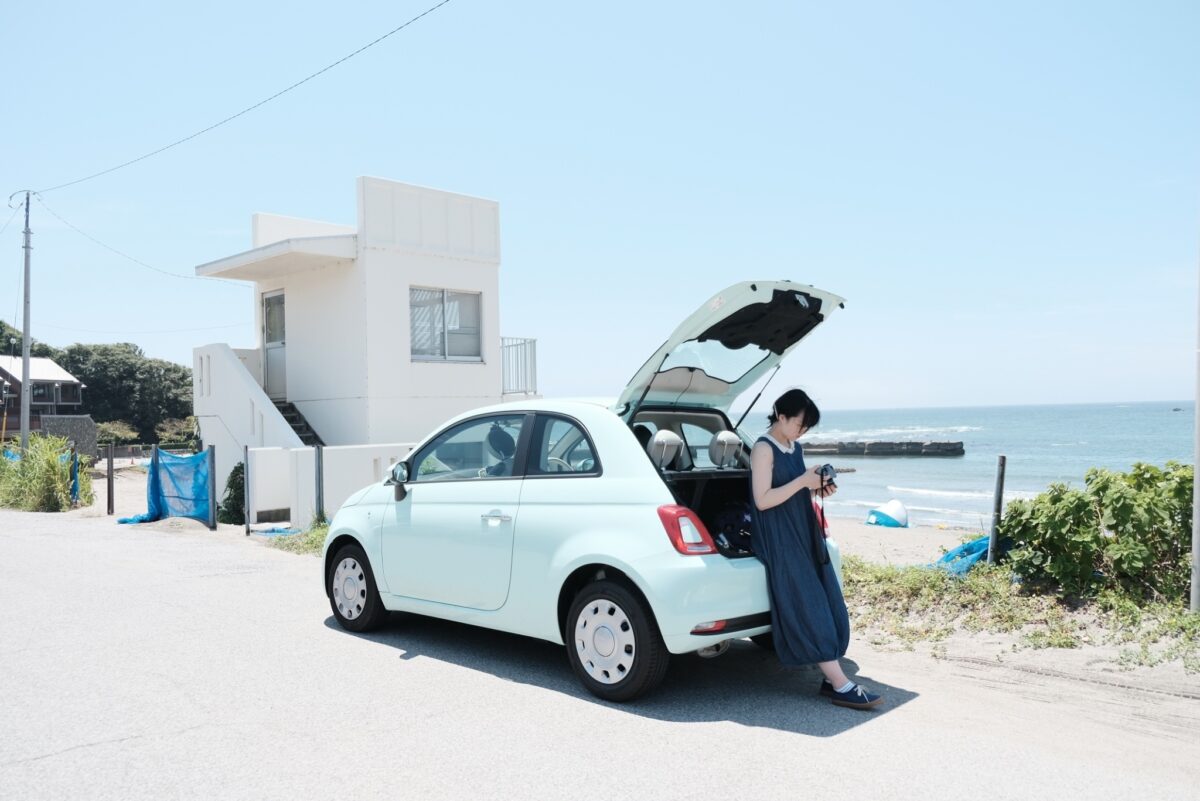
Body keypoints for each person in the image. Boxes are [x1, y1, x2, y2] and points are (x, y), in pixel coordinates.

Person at [749, 388, 883, 710]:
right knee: (808, 601)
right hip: (778, 535)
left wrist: (818, 487)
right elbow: (763, 500)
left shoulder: (792, 445)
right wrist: (802, 483)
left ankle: (829, 676)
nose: (801, 431)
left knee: (825, 595)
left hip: (801, 529)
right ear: (781, 417)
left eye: (806, 427)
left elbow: (794, 490)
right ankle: (840, 684)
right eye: (799, 424)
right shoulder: (762, 449)